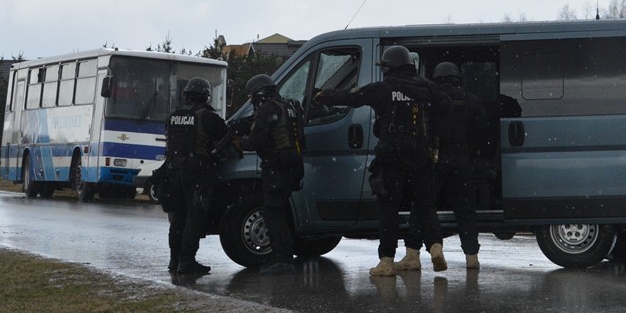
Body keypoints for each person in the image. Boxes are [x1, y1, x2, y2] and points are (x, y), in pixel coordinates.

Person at [314, 45, 450, 276]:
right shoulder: (425, 86)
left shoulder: (383, 89)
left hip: (392, 157)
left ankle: (387, 261)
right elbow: (445, 104)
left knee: (389, 209)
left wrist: (323, 94)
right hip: (420, 156)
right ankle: (436, 247)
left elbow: (351, 97)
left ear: (389, 67)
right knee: (425, 206)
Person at [396, 61, 487, 271]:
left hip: (434, 158)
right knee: (465, 209)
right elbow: (482, 130)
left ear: (436, 78)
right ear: (457, 77)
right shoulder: (471, 100)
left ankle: (413, 254)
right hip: (462, 159)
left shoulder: (429, 99)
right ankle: (471, 256)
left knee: (423, 207)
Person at [236, 74, 306, 276]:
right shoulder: (290, 106)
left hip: (278, 166)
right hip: (293, 164)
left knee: (273, 211)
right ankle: (284, 255)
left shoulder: (267, 109)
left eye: (252, 96)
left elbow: (257, 140)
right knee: (280, 210)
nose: (251, 101)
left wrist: (240, 143)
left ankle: (283, 260)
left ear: (259, 93)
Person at [164, 77, 226, 275]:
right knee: (195, 216)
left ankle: (174, 259)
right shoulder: (207, 117)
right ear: (206, 95)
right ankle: (187, 260)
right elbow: (224, 134)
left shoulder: (173, 116)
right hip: (195, 173)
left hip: (173, 172)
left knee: (178, 217)